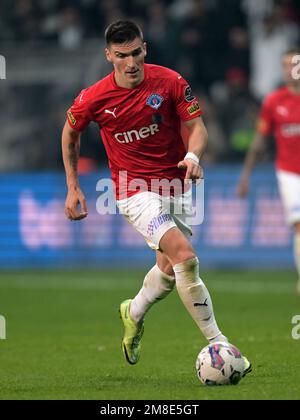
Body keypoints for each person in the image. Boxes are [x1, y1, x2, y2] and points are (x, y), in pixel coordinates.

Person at [62, 20, 251, 374]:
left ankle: (132, 312)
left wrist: (193, 156)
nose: (130, 62)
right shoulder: (94, 97)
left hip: (175, 185)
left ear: (144, 49)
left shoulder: (170, 82)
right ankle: (219, 344)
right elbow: (70, 132)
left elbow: (197, 127)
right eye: (121, 56)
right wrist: (73, 185)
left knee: (167, 270)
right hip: (133, 191)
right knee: (186, 257)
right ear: (109, 56)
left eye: (135, 53)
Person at [237, 48, 300, 295]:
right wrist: (245, 175)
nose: (290, 69)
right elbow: (260, 140)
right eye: (285, 64)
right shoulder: (274, 101)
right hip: (289, 173)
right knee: (298, 224)